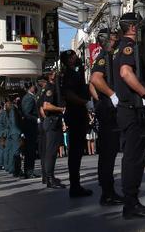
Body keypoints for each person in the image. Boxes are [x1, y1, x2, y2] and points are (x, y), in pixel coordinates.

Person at [113, 12, 145, 219]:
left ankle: (131, 202)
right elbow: (126, 73)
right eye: (138, 25)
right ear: (132, 27)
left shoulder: (118, 48)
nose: (139, 28)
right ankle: (131, 204)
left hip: (127, 110)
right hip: (131, 110)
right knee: (134, 158)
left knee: (134, 157)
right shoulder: (128, 47)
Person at [87, 27, 122, 205]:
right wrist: (110, 95)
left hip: (104, 108)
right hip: (108, 111)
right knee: (109, 152)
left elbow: (91, 84)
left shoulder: (104, 57)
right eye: (114, 37)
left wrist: (97, 99)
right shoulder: (105, 57)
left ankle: (108, 190)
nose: (116, 39)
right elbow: (95, 80)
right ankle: (107, 193)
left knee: (108, 152)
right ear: (107, 39)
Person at [60, 49, 93, 197]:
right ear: (68, 60)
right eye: (72, 56)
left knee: (77, 152)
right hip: (75, 114)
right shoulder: (69, 74)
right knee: (75, 152)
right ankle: (75, 186)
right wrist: (84, 102)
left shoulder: (74, 72)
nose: (76, 57)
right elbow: (69, 94)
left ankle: (76, 184)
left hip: (78, 113)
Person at [38, 67, 66, 189]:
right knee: (50, 152)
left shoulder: (49, 87)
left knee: (52, 151)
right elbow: (46, 106)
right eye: (55, 73)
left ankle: (50, 176)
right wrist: (61, 109)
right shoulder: (50, 87)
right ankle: (49, 178)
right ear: (50, 76)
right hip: (52, 121)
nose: (57, 74)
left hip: (51, 121)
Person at [18, 86, 38, 179]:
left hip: (30, 127)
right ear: (31, 88)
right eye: (34, 86)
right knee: (30, 151)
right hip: (30, 127)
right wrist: (36, 119)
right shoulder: (29, 98)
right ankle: (29, 171)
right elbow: (27, 113)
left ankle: (29, 171)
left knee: (30, 151)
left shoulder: (30, 97)